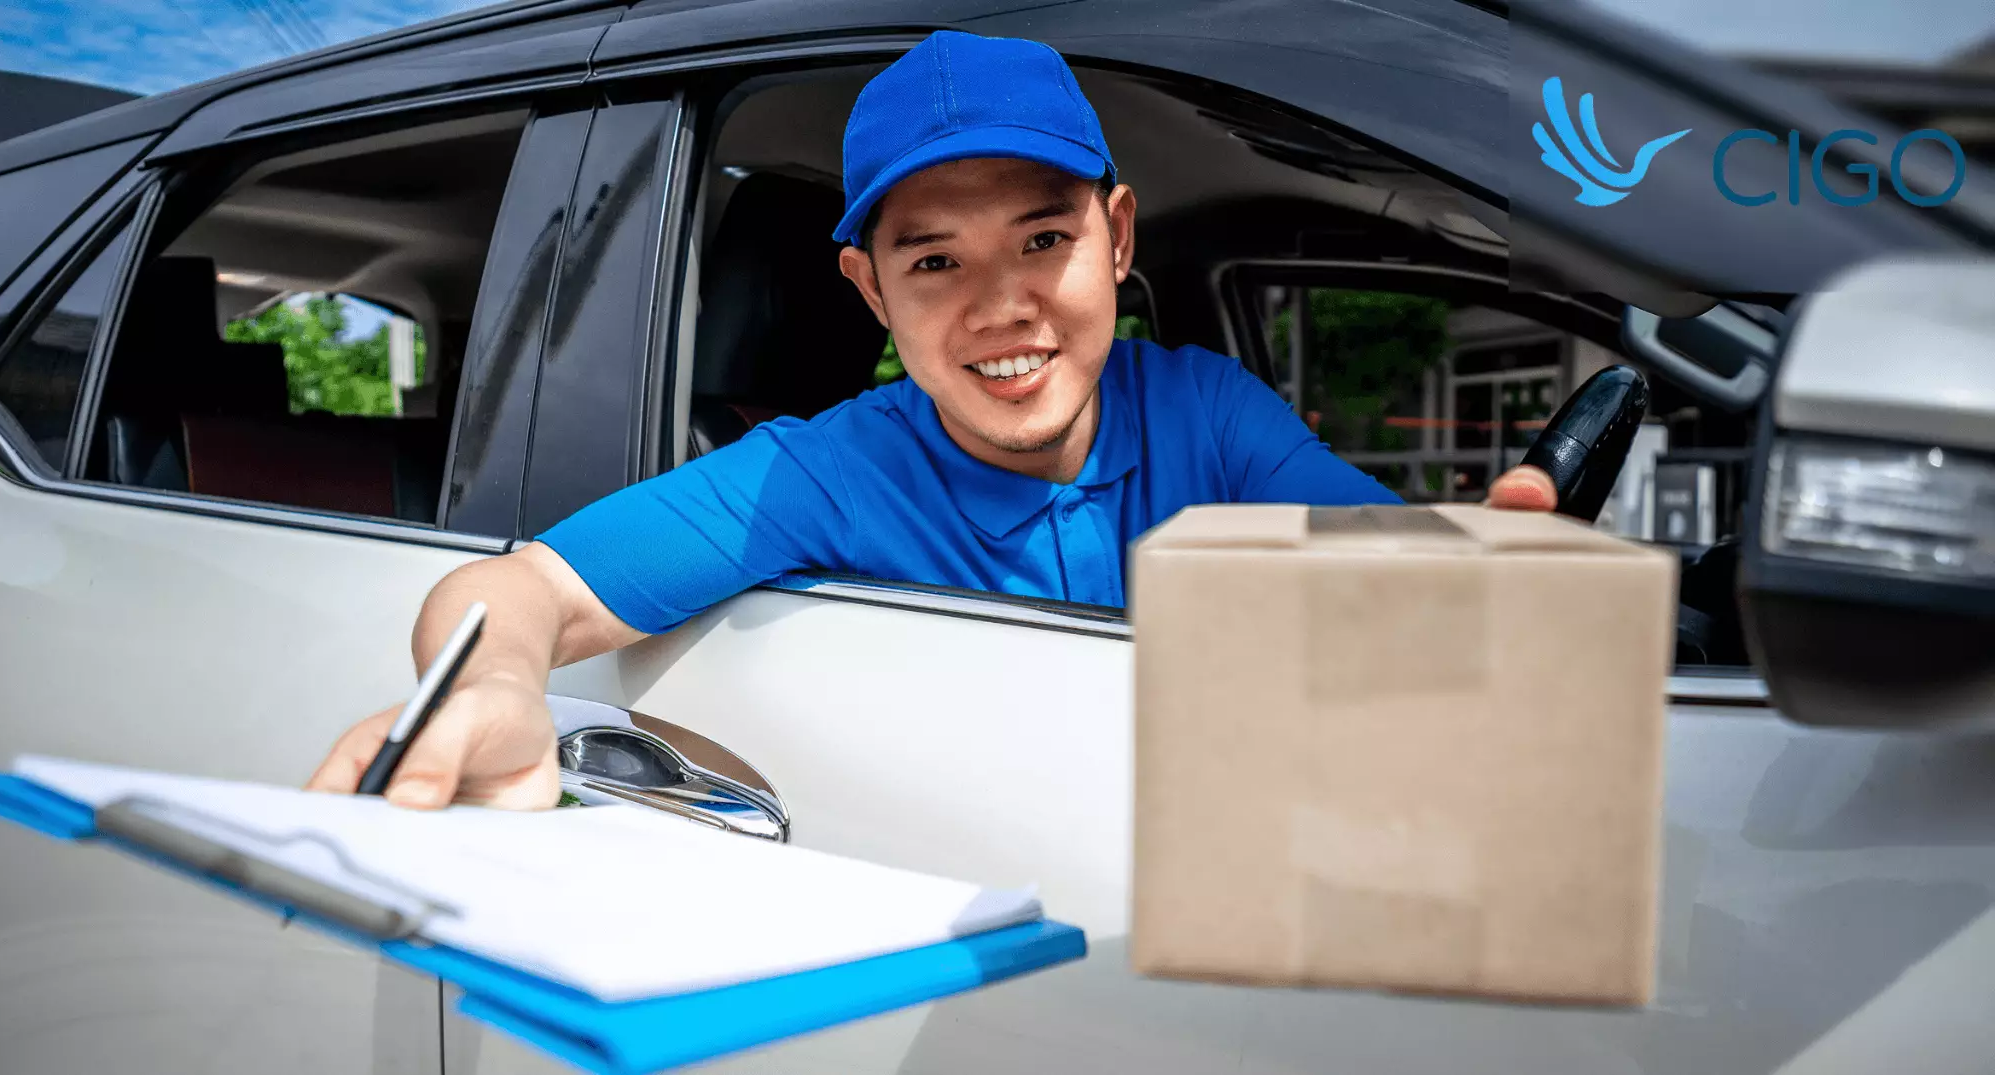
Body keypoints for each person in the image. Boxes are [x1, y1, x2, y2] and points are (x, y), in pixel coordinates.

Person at [307, 30, 1562, 810]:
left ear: (1116, 238)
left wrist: (1485, 575)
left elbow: (1392, 574)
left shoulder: (1206, 411)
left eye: (1043, 240)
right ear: (870, 292)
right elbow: (525, 588)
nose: (1002, 307)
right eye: (934, 262)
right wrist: (490, 684)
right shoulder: (829, 471)